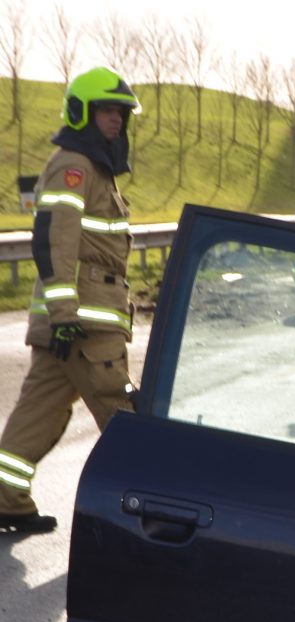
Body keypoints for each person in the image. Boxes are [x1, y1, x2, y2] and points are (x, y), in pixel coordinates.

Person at [0, 67, 141, 537]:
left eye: (121, 112)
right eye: (106, 111)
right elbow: (55, 240)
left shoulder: (95, 168)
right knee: (122, 418)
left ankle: (5, 499)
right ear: (82, 112)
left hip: (74, 323)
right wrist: (64, 316)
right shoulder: (74, 165)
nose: (116, 120)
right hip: (82, 324)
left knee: (38, 412)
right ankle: (152, 505)